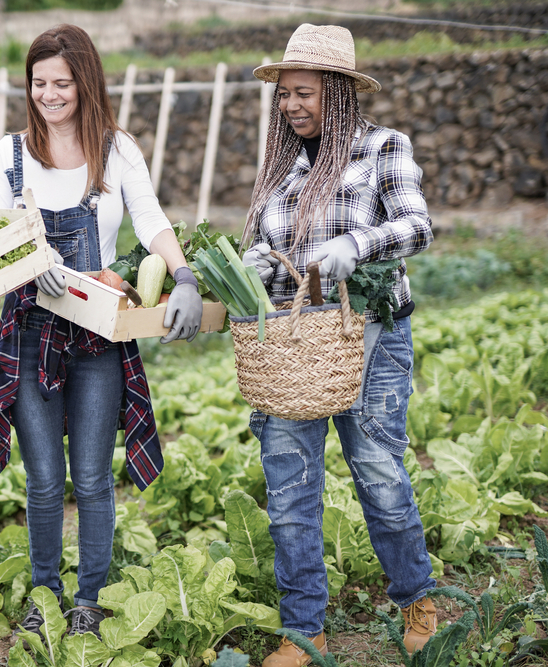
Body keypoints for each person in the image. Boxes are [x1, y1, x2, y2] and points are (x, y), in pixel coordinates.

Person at [0, 24, 203, 641]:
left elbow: (151, 219)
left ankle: (91, 597)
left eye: (63, 83)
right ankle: (46, 593)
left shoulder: (116, 149)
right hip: (30, 329)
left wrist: (182, 275)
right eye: (39, 83)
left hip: (99, 331)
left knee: (95, 477)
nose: (50, 94)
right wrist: (33, 260)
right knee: (47, 477)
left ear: (86, 81)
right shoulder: (12, 154)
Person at [240, 24, 437, 667]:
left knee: (379, 476)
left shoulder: (383, 147)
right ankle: (304, 632)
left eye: (304, 93)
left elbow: (417, 225)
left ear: (339, 93)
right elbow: (274, 259)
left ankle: (415, 597)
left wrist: (357, 246)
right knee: (290, 492)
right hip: (292, 346)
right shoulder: (280, 163)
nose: (292, 105)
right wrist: (245, 269)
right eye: (285, 94)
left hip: (370, 337)